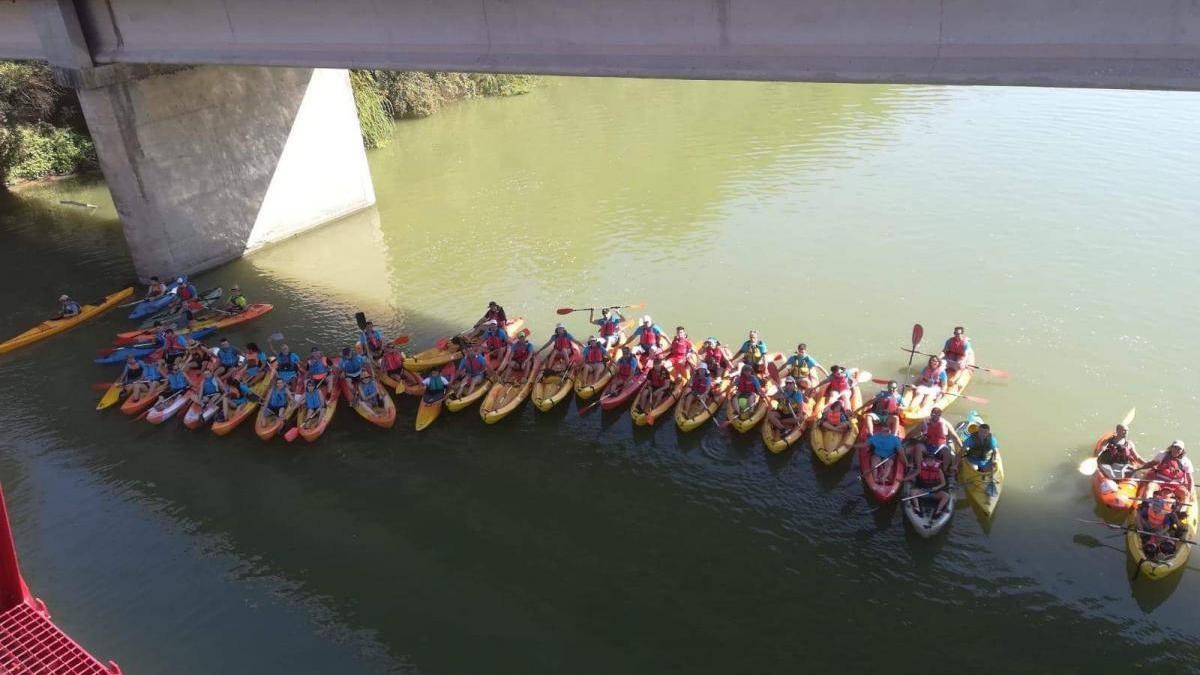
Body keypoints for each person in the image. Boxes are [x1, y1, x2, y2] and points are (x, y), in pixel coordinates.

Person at [1135, 496, 1187, 560]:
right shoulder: (1148, 510)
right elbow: (1138, 515)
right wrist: (1140, 527)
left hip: (1158, 529)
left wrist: (1161, 532)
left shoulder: (1164, 515)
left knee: (1165, 536)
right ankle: (1144, 538)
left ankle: (1162, 551)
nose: (1156, 507)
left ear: (1161, 507)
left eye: (1158, 506)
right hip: (1148, 526)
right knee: (1139, 519)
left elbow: (1167, 527)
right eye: (1155, 505)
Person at [914, 407, 963, 474]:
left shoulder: (945, 423)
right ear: (931, 414)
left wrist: (962, 447)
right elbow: (912, 432)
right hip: (927, 445)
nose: (935, 416)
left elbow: (955, 436)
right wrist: (903, 441)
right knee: (918, 447)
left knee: (947, 451)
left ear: (940, 415)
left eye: (938, 415)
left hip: (940, 447)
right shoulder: (924, 423)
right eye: (934, 414)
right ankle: (918, 468)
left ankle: (944, 470)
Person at [905, 451, 950, 519]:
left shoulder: (939, 470)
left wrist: (936, 488)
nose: (929, 462)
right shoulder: (920, 469)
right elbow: (913, 477)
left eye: (932, 460)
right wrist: (905, 479)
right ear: (925, 461)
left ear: (935, 461)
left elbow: (943, 483)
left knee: (946, 496)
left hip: (934, 493)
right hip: (922, 491)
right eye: (927, 460)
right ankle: (917, 508)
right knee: (912, 492)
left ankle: (938, 510)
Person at [962, 422, 1001, 497]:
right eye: (981, 432)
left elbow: (996, 451)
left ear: (988, 432)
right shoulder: (971, 439)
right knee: (974, 468)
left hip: (985, 460)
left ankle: (986, 478)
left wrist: (995, 460)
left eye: (985, 432)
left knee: (991, 468)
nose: (983, 434)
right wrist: (955, 465)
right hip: (973, 460)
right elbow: (962, 451)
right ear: (978, 431)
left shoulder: (992, 439)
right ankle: (977, 477)